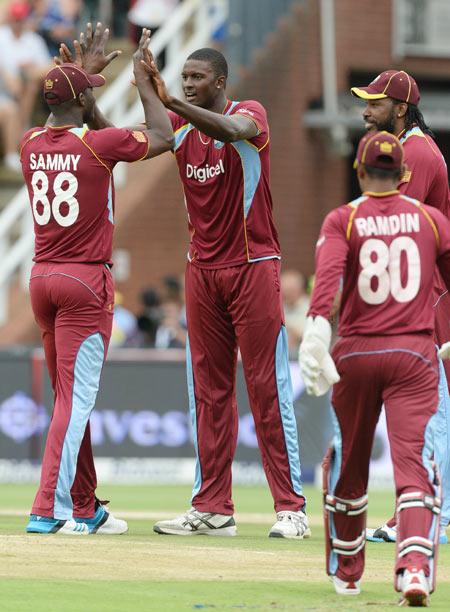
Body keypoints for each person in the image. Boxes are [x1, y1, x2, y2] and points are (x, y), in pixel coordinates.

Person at [64, 38, 309, 538]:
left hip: (253, 265)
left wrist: (170, 100)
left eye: (197, 79)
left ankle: (291, 509)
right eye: (183, 80)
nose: (189, 85)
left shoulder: (249, 113)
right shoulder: (177, 127)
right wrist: (87, 96)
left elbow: (233, 129)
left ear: (220, 82)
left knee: (267, 387)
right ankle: (213, 507)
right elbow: (117, 141)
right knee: (208, 392)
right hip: (202, 271)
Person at [20, 27, 174, 534]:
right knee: (75, 399)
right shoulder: (99, 145)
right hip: (86, 282)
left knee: (67, 397)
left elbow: (77, 122)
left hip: (42, 279)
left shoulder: (28, 144)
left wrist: (81, 84)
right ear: (85, 99)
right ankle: (51, 507)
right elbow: (163, 137)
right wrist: (144, 84)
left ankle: (84, 503)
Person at [299, 130, 450, 605]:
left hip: (357, 353)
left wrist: (317, 334)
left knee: (349, 459)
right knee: (415, 465)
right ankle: (414, 569)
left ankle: (347, 571)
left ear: (359, 171)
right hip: (414, 354)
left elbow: (327, 285)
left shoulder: (343, 220)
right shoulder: (431, 220)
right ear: (404, 174)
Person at [351, 69, 450, 545]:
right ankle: (424, 511)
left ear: (400, 108)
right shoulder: (410, 149)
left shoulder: (416, 153)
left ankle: (435, 513)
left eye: (374, 103)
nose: (366, 111)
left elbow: (393, 224)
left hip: (425, 299)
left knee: (428, 411)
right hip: (416, 295)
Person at [281, 269, 310, 359]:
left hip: (303, 355)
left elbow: (307, 334)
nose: (287, 293)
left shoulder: (309, 306)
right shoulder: (279, 307)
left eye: (290, 289)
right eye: (284, 289)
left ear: (300, 288)